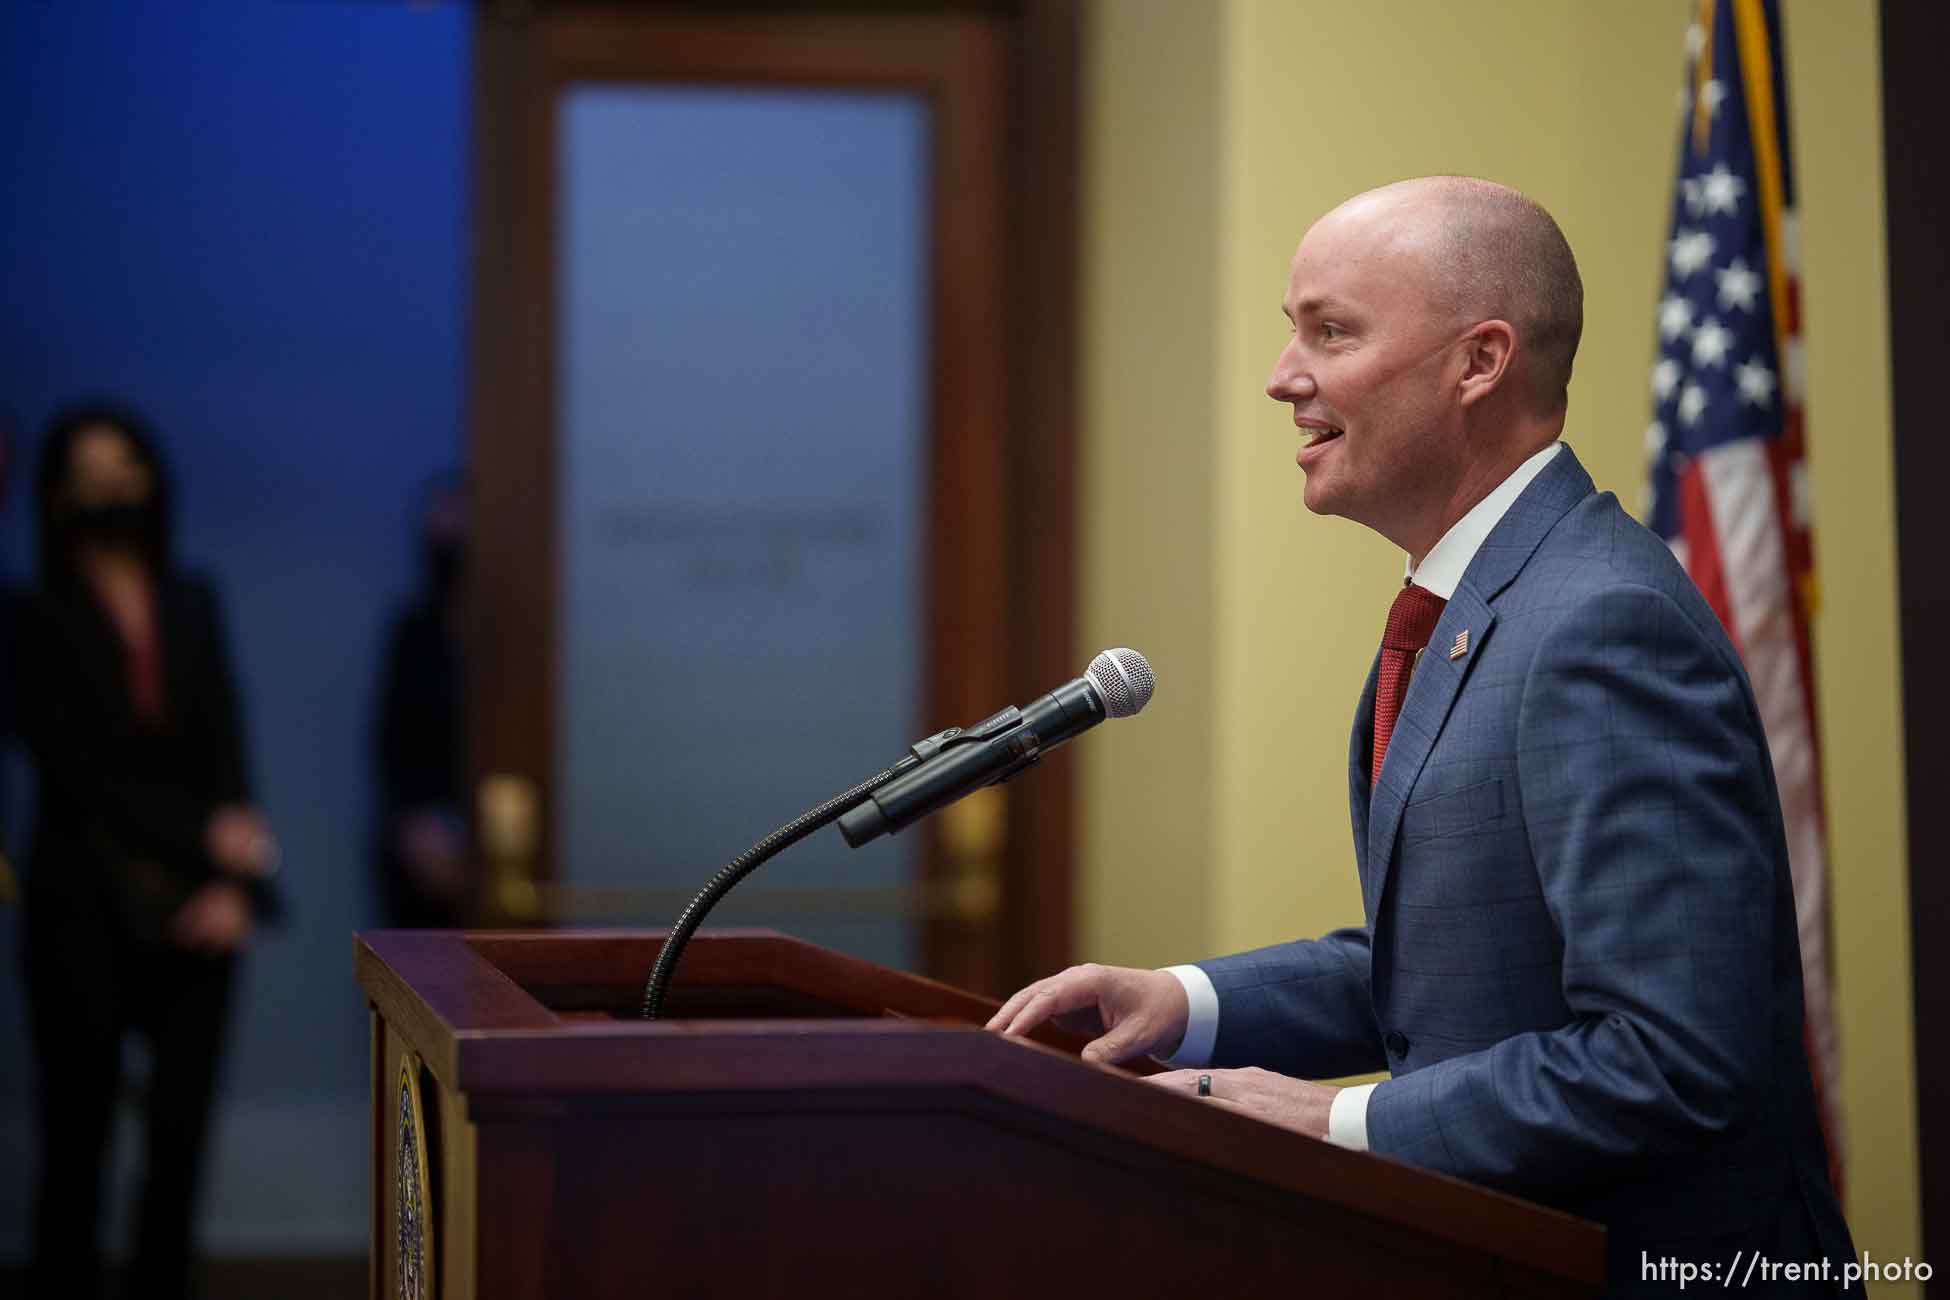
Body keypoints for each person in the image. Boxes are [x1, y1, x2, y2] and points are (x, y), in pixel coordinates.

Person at [988, 178, 1858, 1297]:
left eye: (1329, 330)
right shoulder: (1477, 602)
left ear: (1479, 363)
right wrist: (1189, 1002)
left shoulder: (1605, 623)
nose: (1281, 375)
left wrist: (1333, 1115)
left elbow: (1673, 1058)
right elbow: (1464, 973)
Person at [12, 403, 280, 1300]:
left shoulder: (192, 597)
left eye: (125, 465)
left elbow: (227, 745)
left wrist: (236, 879)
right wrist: (202, 834)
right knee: (77, 1143)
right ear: (54, 494)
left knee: (179, 1147)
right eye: (88, 472)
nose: (111, 487)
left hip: (202, 907)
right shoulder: (31, 614)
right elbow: (76, 768)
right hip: (79, 907)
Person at [372, 471, 470, 928]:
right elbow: (391, 738)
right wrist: (415, 824)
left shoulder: (517, 636)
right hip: (419, 837)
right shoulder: (415, 630)